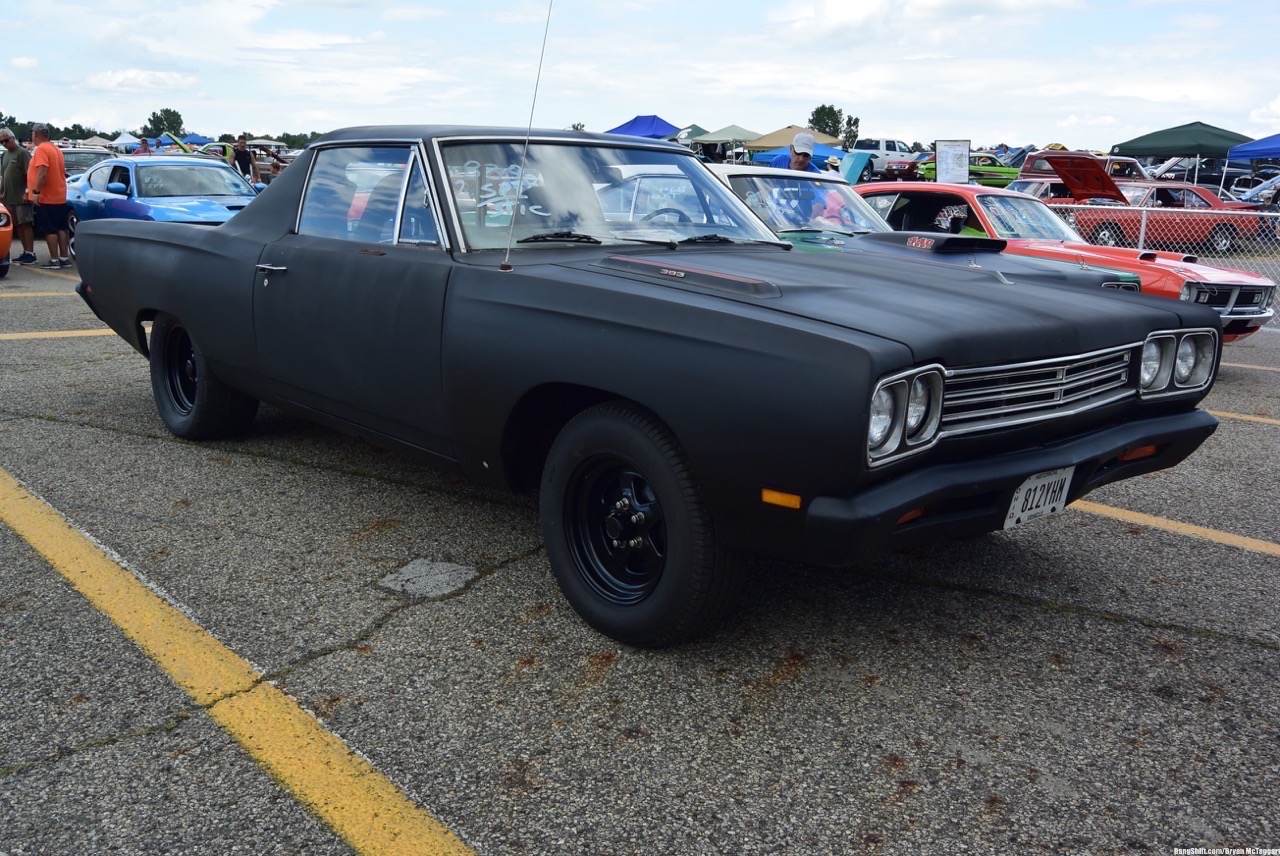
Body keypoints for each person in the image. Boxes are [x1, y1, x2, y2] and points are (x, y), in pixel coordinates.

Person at [27, 123, 70, 268]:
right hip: (59, 195)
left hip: (47, 196)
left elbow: (42, 172)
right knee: (61, 228)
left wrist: (36, 192)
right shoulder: (55, 149)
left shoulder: (42, 150)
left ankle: (54, 259)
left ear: (36, 134)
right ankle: (64, 258)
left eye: (32, 133)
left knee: (49, 229)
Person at [0, 127, 37, 265]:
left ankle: (30, 253)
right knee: (17, 225)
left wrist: (27, 191)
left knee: (25, 224)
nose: (4, 143)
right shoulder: (5, 155)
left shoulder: (22, 153)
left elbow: (30, 174)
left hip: (21, 196)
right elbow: (4, 175)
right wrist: (1, 192)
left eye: (6, 140)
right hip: (9, 197)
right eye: (1, 142)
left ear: (13, 138)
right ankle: (25, 252)